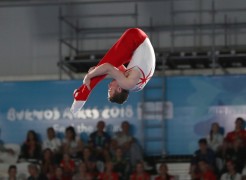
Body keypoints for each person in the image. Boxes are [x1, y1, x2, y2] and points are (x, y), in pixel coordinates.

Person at [71, 28, 155, 113]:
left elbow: (116, 66)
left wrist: (96, 70)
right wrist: (89, 76)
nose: (109, 86)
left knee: (103, 69)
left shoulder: (133, 85)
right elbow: (108, 67)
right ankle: (82, 95)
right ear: (119, 89)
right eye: (110, 90)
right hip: (136, 38)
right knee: (105, 65)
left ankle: (82, 94)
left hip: (139, 42)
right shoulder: (127, 84)